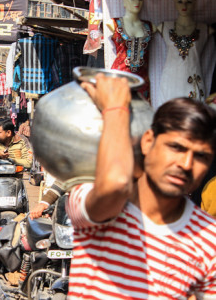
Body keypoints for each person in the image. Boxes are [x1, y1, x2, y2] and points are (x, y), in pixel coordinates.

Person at [66, 74, 216, 299]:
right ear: (148, 141)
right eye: (176, 147)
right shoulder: (88, 197)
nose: (186, 164)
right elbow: (115, 183)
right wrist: (115, 109)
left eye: (201, 156)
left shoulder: (208, 237)